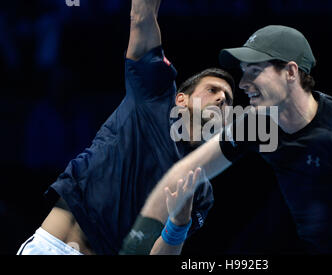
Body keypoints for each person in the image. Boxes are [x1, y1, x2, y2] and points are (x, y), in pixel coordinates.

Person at [140, 25, 332, 254]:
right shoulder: (256, 125)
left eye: (255, 71)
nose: (243, 84)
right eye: (243, 73)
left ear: (291, 72)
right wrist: (139, 240)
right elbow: (186, 172)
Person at [17, 0, 234, 255]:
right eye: (212, 90)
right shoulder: (153, 96)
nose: (221, 98)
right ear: (181, 99)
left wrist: (179, 222)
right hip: (54, 246)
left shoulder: (201, 189)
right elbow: (141, 16)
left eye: (229, 100)